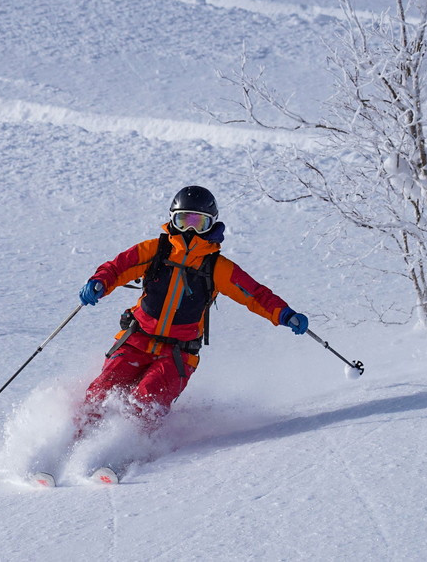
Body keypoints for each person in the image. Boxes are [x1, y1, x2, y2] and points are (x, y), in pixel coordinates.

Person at [75, 185, 308, 433]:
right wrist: (100, 282)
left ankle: (121, 450)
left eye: (199, 223)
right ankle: (72, 440)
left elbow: (255, 295)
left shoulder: (217, 267)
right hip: (135, 340)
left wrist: (284, 313)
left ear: (211, 225)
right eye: (183, 220)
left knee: (146, 399)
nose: (190, 230)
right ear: (172, 218)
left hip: (176, 355)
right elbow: (118, 267)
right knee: (101, 391)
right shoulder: (155, 250)